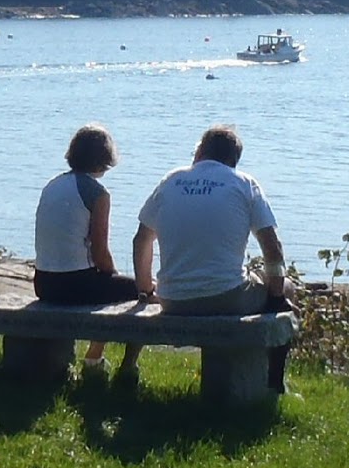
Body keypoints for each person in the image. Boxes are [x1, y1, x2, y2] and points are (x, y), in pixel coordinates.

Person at [132, 124, 295, 392]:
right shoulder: (245, 183)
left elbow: (142, 240)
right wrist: (276, 294)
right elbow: (272, 247)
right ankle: (275, 383)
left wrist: (146, 289)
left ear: (199, 151)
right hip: (227, 297)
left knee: (266, 287)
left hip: (173, 300)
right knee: (285, 289)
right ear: (233, 160)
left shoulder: (170, 180)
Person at [33, 123, 143, 380]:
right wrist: (113, 274)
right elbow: (100, 251)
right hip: (75, 285)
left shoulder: (52, 184)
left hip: (44, 282)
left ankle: (95, 356)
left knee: (109, 289)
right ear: (105, 158)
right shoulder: (97, 193)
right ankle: (120, 365)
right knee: (143, 291)